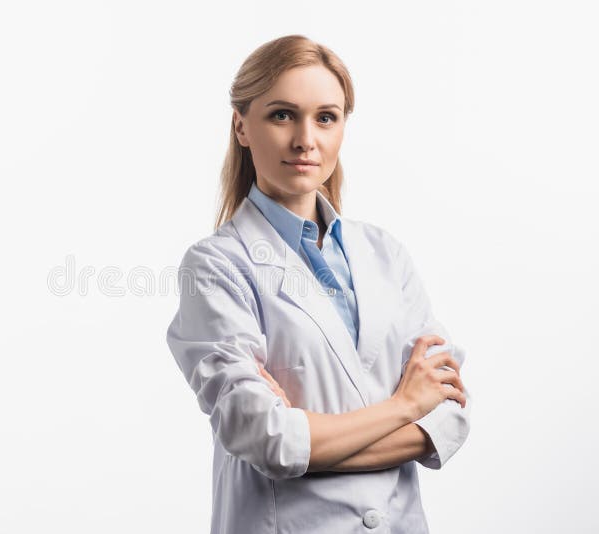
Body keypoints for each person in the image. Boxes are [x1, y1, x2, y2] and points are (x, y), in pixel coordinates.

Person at [165, 34, 471, 534]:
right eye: (282, 115)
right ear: (242, 126)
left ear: (343, 127)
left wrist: (309, 440)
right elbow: (264, 438)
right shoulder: (216, 266)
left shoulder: (384, 255)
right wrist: (404, 407)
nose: (306, 139)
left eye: (325, 117)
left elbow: (451, 416)